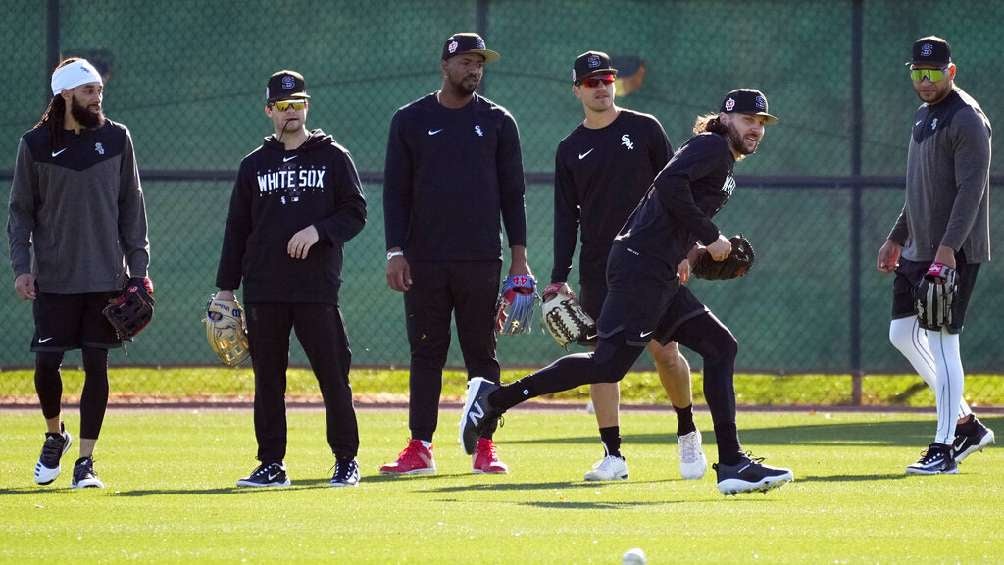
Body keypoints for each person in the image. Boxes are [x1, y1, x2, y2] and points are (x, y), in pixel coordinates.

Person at [461, 89, 794, 496]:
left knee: (720, 347)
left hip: (657, 267)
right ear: (725, 118)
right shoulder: (712, 146)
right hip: (642, 267)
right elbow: (669, 184)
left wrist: (696, 250)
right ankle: (496, 401)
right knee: (607, 365)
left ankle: (731, 463)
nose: (756, 129)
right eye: (748, 120)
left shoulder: (717, 154)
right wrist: (712, 235)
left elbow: (671, 207)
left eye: (761, 123)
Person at [546, 51, 705, 482]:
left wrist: (685, 249)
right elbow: (566, 218)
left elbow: (678, 192)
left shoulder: (644, 128)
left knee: (666, 352)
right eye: (591, 81)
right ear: (577, 89)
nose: (601, 87)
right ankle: (613, 455)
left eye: (607, 79)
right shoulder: (569, 149)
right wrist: (559, 277)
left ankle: (688, 429)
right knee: (604, 359)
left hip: (654, 261)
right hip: (601, 268)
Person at [381, 33, 530, 475]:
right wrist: (395, 251)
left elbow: (514, 195)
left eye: (479, 63)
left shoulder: (499, 122)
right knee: (426, 351)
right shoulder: (410, 120)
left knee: (482, 353)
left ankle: (485, 444)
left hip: (481, 258)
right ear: (445, 65)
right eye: (466, 61)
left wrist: (519, 260)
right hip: (424, 259)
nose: (474, 70)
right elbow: (395, 193)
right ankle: (419, 446)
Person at [216, 70, 367, 488]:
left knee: (333, 376)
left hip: (316, 288)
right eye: (282, 106)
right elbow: (236, 230)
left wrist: (318, 231)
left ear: (308, 106)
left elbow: (356, 212)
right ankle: (271, 464)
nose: (291, 113)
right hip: (264, 288)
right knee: (268, 382)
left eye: (297, 103)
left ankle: (345, 459)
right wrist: (226, 289)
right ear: (269, 111)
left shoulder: (333, 157)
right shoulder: (253, 165)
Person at [8, 57, 150, 489]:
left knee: (96, 365)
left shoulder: (117, 138)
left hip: (107, 276)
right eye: (89, 90)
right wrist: (21, 268)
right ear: (66, 94)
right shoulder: (34, 145)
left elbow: (132, 205)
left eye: (99, 90)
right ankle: (56, 435)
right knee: (46, 366)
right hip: (53, 277)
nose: (98, 96)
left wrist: (138, 269)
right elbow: (20, 213)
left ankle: (85, 461)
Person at [877, 36, 994, 475]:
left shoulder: (966, 119)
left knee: (945, 346)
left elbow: (971, 192)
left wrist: (946, 253)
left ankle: (944, 447)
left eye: (933, 72)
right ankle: (967, 423)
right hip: (916, 248)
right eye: (917, 73)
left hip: (952, 251)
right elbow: (920, 190)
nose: (924, 81)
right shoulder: (924, 117)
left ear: (951, 71)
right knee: (902, 334)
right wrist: (896, 237)